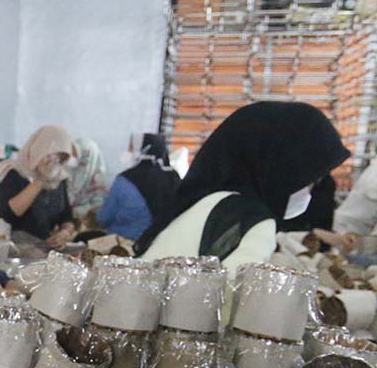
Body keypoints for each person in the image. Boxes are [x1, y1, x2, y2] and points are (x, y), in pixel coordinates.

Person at [137, 102, 349, 271]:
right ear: (283, 166)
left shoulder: (212, 201)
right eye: (310, 179)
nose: (310, 189)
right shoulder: (253, 220)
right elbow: (232, 309)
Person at [0, 125, 77, 248]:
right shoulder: (15, 173)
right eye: (50, 155)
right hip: (15, 247)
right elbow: (7, 215)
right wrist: (40, 180)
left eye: (60, 158)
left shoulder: (59, 179)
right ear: (39, 150)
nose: (54, 162)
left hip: (45, 247)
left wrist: (64, 233)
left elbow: (67, 216)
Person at [97, 133, 181, 241]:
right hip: (161, 246)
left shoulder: (124, 181)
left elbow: (104, 218)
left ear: (143, 150)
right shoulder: (173, 179)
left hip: (121, 247)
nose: (128, 152)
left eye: (131, 148)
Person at [67, 137, 109, 221]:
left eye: (77, 155)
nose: (73, 159)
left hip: (86, 223)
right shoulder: (68, 170)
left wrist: (76, 211)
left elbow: (98, 209)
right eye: (72, 154)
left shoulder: (98, 180)